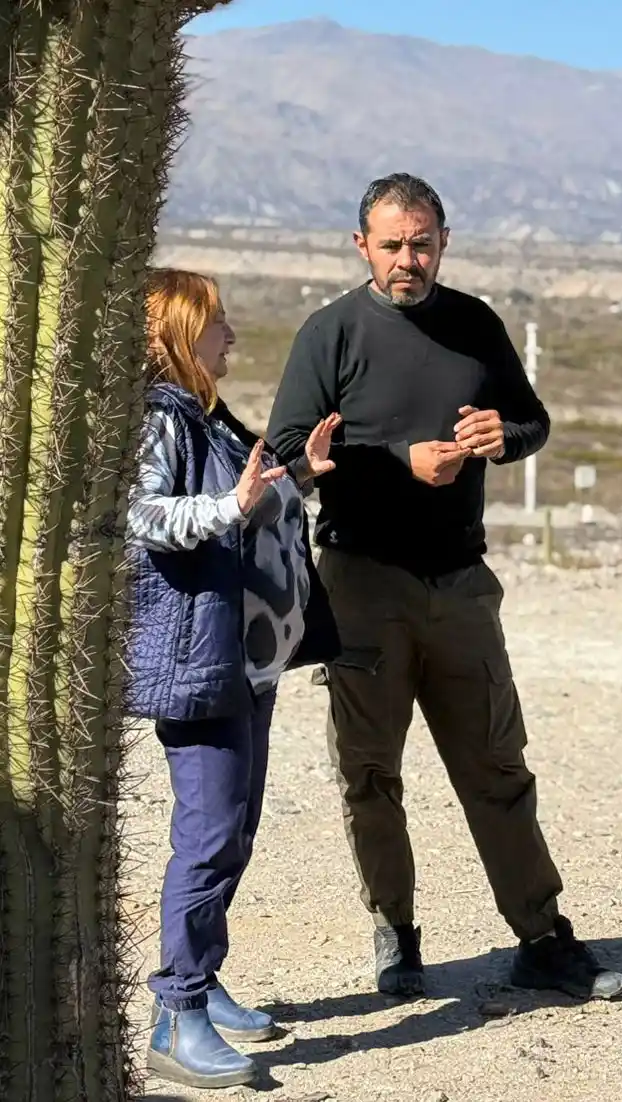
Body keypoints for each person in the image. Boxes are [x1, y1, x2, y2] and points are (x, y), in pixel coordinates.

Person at [265, 173, 622, 1002]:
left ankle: (541, 935)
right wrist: (398, 459)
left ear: (444, 241)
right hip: (362, 580)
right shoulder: (330, 334)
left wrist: (505, 437)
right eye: (392, 244)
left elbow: (532, 420)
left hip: (461, 583)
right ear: (362, 245)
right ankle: (395, 935)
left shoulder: (475, 325)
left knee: (497, 764)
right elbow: (290, 452)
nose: (408, 259)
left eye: (422, 242)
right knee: (369, 771)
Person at [126, 268, 341, 1089]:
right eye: (218, 322)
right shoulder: (159, 420)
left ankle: (202, 982)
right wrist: (227, 508)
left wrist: (304, 475)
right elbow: (142, 517)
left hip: (245, 658)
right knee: (210, 832)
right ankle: (175, 1015)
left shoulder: (204, 416)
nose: (232, 335)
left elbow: (253, 495)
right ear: (181, 332)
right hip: (200, 657)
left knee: (235, 829)